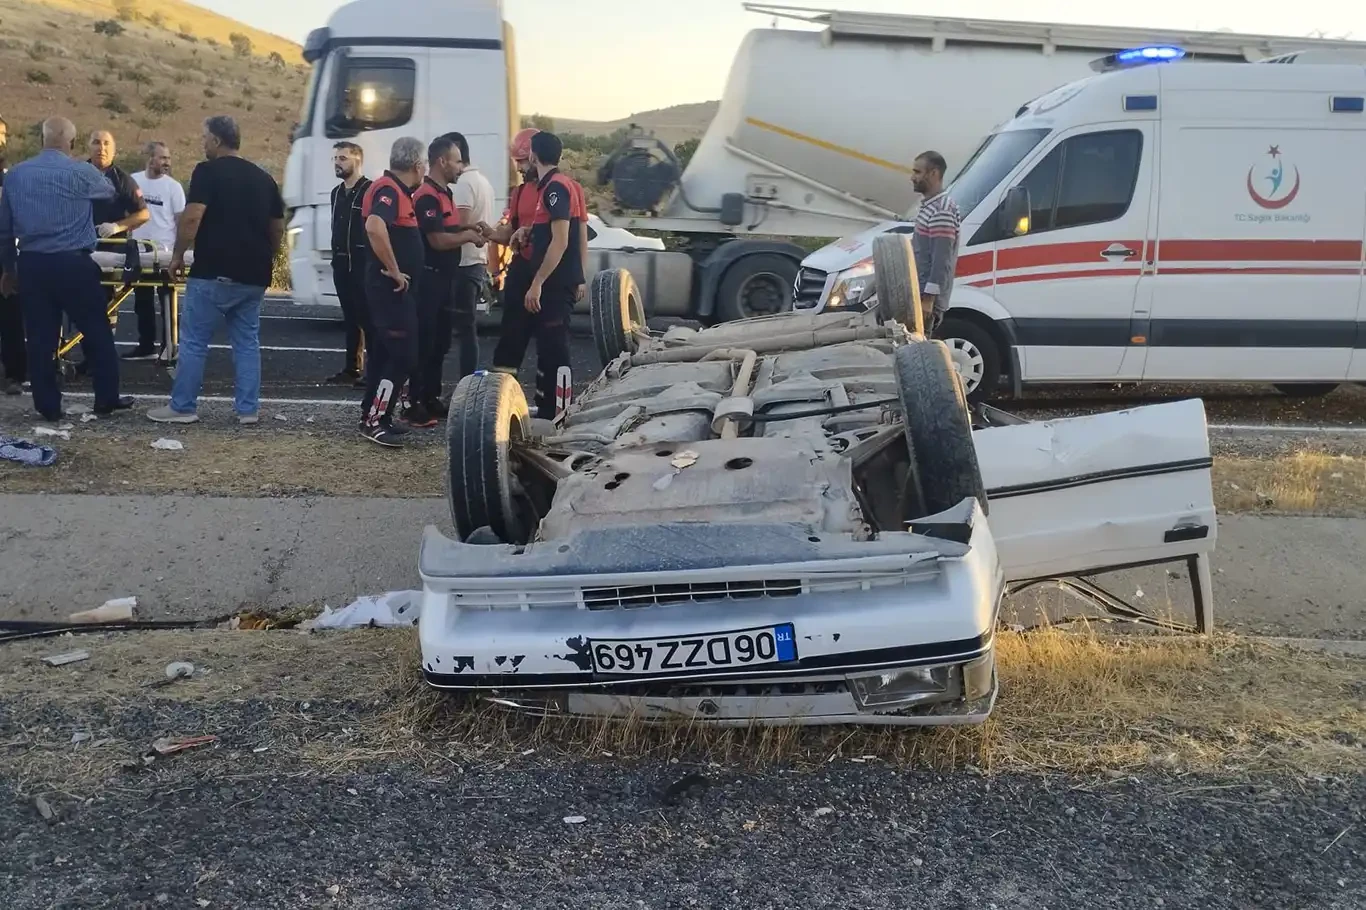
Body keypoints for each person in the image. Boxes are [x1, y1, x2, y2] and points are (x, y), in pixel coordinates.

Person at [147, 116, 285, 425]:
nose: (202, 143)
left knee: (195, 340)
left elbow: (193, 217)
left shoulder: (207, 172)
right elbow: (276, 227)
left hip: (214, 270)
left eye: (205, 137)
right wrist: (270, 257)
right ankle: (247, 410)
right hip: (253, 274)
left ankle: (183, 406)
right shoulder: (264, 179)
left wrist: (178, 255)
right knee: (247, 342)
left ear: (217, 141)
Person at [0, 116, 135, 421]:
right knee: (97, 331)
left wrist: (9, 270)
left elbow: (5, 232)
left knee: (39, 338)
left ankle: (47, 406)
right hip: (74, 262)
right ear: (73, 143)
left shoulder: (17, 175)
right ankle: (106, 398)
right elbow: (108, 192)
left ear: (41, 139)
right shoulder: (81, 171)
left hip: (32, 263)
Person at [481, 127, 589, 396]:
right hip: (523, 269)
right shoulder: (520, 193)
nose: (518, 167)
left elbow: (574, 237)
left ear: (533, 156)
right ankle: (501, 395)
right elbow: (522, 230)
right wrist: (491, 235)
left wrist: (579, 276)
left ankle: (551, 403)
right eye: (515, 161)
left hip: (550, 274)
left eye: (521, 160)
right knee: (510, 335)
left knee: (552, 342)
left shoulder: (563, 188)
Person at [406, 133, 486, 428]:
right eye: (456, 161)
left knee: (440, 343)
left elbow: (449, 225)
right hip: (429, 279)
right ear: (441, 161)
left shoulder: (445, 194)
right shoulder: (426, 195)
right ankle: (414, 403)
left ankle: (430, 397)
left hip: (446, 280)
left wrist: (469, 225)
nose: (460, 166)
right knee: (425, 342)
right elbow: (438, 239)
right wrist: (467, 236)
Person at [358, 136, 427, 447]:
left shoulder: (399, 191)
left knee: (386, 354)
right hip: (389, 289)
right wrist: (396, 269)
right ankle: (374, 420)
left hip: (393, 289)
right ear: (417, 165)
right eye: (424, 164)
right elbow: (375, 225)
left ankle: (378, 414)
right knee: (403, 355)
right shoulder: (389, 190)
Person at [513, 131, 585, 420]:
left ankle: (560, 412)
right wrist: (528, 231)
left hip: (555, 283)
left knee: (555, 349)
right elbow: (551, 231)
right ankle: (545, 409)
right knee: (546, 346)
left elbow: (561, 239)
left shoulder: (555, 187)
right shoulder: (551, 187)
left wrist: (538, 283)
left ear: (532, 155)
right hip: (553, 282)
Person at [75, 129, 149, 374]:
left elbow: (143, 213)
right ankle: (87, 356)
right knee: (80, 306)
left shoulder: (122, 179)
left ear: (114, 150)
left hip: (110, 254)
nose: (101, 148)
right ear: (88, 146)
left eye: (107, 143)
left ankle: (102, 358)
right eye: (96, 142)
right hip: (78, 249)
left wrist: (118, 226)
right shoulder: (76, 175)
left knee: (106, 307)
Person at [126, 140, 185, 359]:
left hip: (164, 253)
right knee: (142, 302)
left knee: (168, 301)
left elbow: (180, 220)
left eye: (168, 158)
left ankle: (169, 346)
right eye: (162, 158)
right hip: (139, 251)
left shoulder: (173, 187)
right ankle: (145, 345)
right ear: (150, 158)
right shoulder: (134, 181)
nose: (167, 162)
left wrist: (179, 251)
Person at [327, 141, 372, 387]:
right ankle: (352, 367)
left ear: (357, 160)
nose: (337, 163)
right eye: (335, 158)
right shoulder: (336, 193)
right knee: (350, 317)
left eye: (342, 158)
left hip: (362, 264)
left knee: (368, 318)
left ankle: (374, 369)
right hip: (341, 264)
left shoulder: (370, 190)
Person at [909, 150, 960, 336]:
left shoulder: (941, 211)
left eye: (917, 172)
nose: (912, 177)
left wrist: (928, 300)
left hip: (926, 300)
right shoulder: (930, 206)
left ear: (934, 173)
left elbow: (941, 259)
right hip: (919, 294)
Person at [0, 113, 26, 396]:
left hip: (5, 254)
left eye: (3, 135)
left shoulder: (12, 177)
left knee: (10, 316)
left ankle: (15, 374)